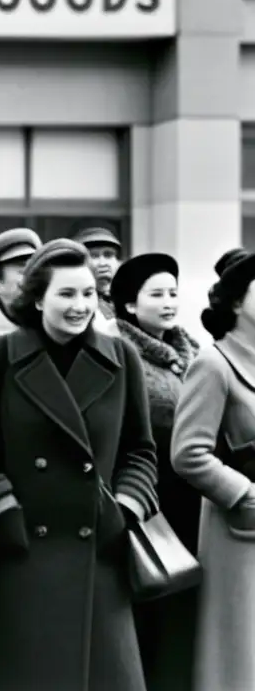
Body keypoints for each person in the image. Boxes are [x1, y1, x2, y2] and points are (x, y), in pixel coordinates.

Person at [0, 239, 157, 691]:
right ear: (39, 297)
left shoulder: (122, 357)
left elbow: (140, 451)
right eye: (66, 294)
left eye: (88, 293)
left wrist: (123, 510)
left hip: (99, 552)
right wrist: (2, 506)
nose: (80, 305)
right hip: (20, 551)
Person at [108, 253, 200, 691]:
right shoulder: (117, 351)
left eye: (173, 292)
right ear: (128, 305)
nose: (169, 302)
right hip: (148, 493)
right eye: (156, 293)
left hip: (193, 497)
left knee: (187, 603)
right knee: (148, 598)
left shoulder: (193, 351)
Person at [171, 250, 255, 691]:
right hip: (239, 529)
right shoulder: (213, 363)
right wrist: (244, 494)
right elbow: (188, 452)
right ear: (236, 303)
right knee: (238, 651)